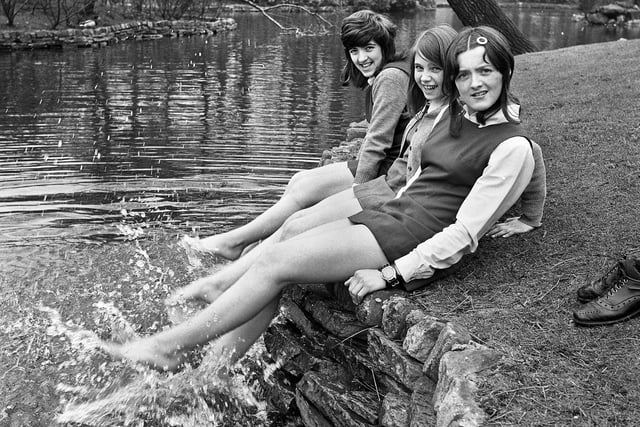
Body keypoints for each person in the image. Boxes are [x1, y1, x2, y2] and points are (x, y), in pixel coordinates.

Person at [103, 26, 537, 372]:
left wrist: (391, 276)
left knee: (275, 263)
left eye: (485, 71)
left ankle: (167, 347)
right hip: (392, 214)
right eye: (464, 74)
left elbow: (463, 233)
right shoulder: (457, 114)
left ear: (506, 72)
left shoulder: (510, 146)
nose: (474, 83)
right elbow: (417, 179)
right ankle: (212, 372)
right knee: (283, 256)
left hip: (409, 238)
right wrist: (373, 202)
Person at [165, 24, 546, 306]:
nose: (427, 77)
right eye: (421, 67)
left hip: (389, 196)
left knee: (296, 225)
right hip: (390, 190)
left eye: (438, 69)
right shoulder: (434, 102)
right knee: (298, 203)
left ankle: (229, 266)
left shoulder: (442, 102)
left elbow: (522, 147)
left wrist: (530, 217)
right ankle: (233, 260)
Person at [189, 10, 412, 260]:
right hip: (385, 163)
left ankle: (239, 246)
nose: (361, 58)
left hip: (388, 172)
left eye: (369, 48)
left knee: (302, 193)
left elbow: (377, 141)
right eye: (354, 51)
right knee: (300, 180)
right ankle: (248, 247)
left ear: (384, 45)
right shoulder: (389, 73)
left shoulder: (391, 78)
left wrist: (357, 191)